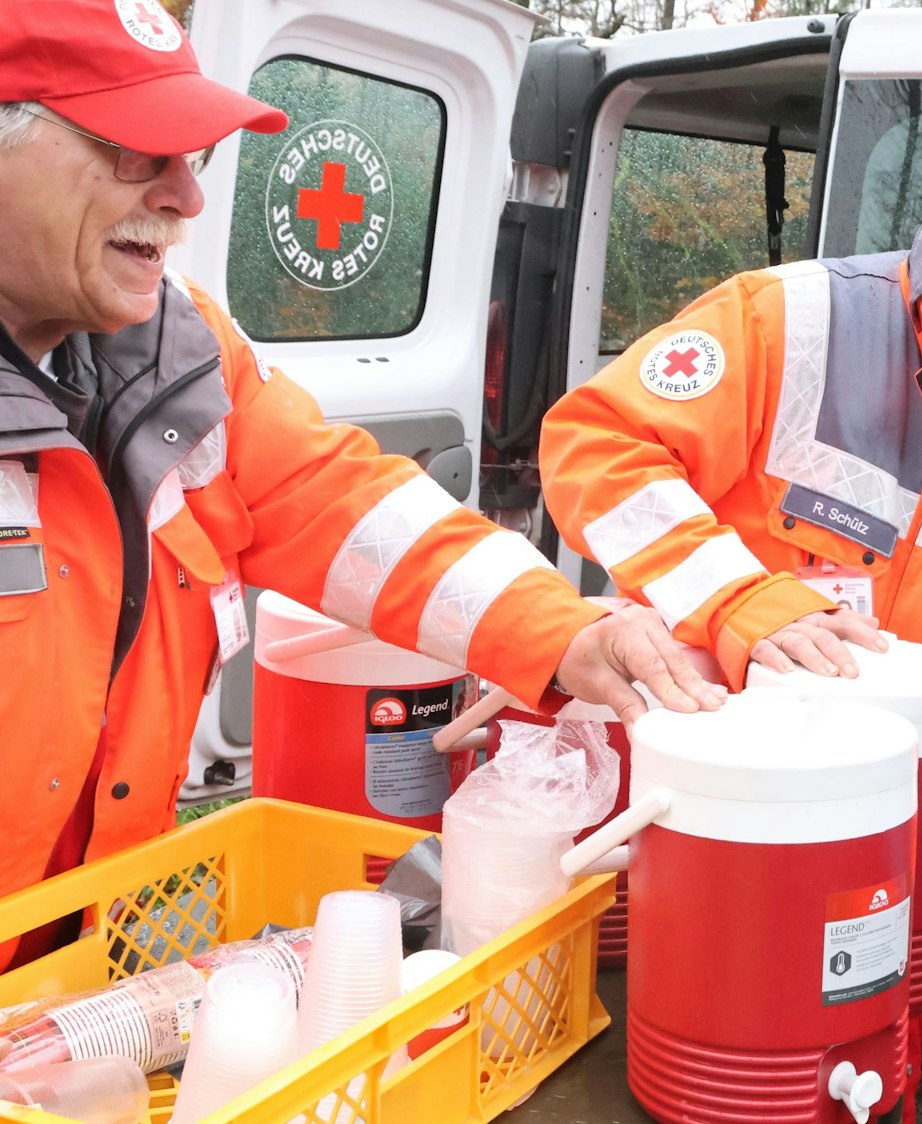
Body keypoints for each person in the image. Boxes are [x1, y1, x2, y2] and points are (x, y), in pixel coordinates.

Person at [0, 0, 726, 970]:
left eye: (192, 156)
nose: (185, 197)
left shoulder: (177, 354)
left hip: (76, 967)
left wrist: (566, 633)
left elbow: (347, 506)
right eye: (136, 148)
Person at [538, 102, 922, 949]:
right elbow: (597, 443)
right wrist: (741, 603)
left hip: (879, 841)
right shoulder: (787, 320)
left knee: (843, 1059)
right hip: (694, 807)